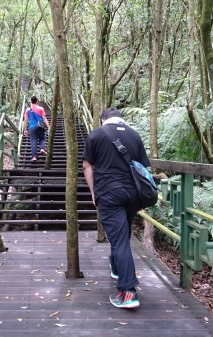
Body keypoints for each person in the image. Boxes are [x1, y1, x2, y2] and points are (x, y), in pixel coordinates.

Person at [82, 107, 150, 309]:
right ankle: (117, 267)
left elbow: (87, 166)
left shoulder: (96, 134)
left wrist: (94, 192)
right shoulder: (134, 135)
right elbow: (144, 168)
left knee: (119, 239)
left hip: (109, 194)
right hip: (132, 194)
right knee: (122, 235)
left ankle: (128, 292)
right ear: (121, 119)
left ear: (103, 120)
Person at [23, 96, 50, 161]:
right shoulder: (41, 108)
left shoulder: (27, 110)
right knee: (42, 138)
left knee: (33, 141)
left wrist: (25, 130)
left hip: (32, 127)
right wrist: (49, 127)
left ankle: (34, 157)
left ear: (31, 102)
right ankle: (42, 148)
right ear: (37, 101)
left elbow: (26, 120)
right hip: (40, 126)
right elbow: (44, 118)